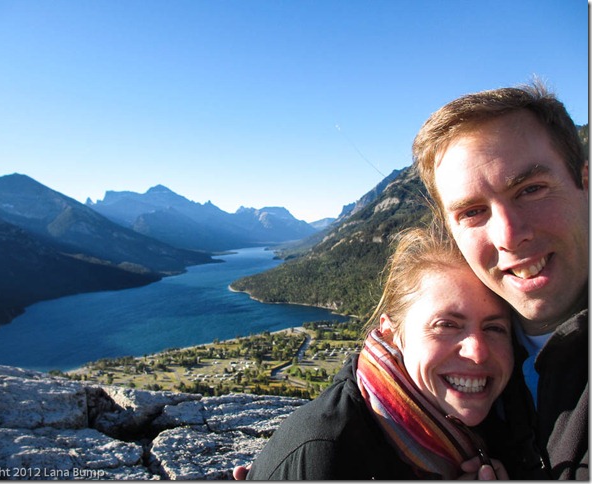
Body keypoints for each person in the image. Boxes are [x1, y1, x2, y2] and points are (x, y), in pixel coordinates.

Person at [412, 81, 588, 479]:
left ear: (586, 184)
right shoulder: (476, 342)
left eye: (531, 189)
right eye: (473, 212)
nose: (509, 235)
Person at [242, 226, 513, 480]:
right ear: (391, 332)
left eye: (495, 328)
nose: (477, 352)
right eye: (446, 325)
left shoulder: (506, 420)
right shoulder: (331, 452)